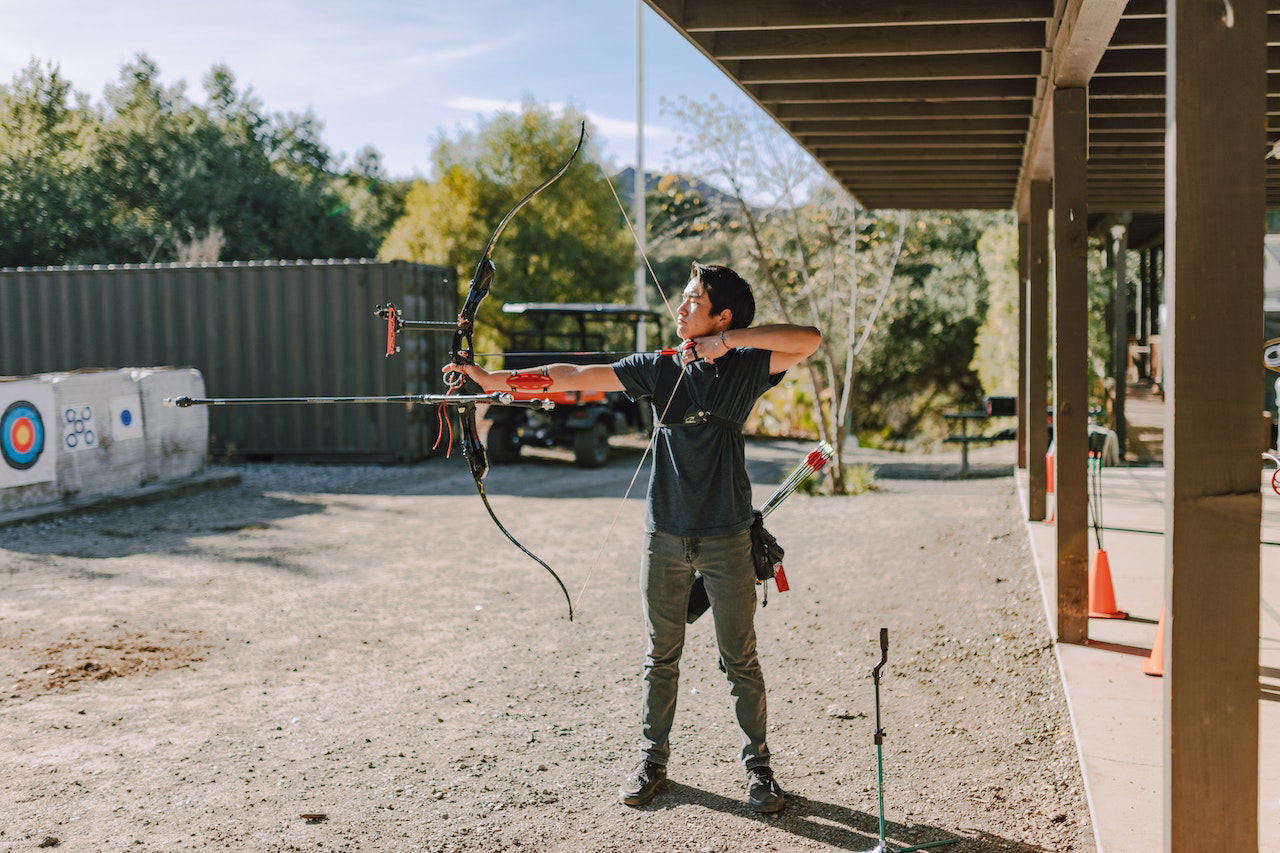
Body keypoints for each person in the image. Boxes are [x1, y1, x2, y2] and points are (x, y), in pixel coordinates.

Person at [445, 262, 821, 813]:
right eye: (683, 299)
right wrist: (492, 381)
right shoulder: (660, 367)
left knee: (740, 659)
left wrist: (724, 344)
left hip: (727, 536)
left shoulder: (748, 365)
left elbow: (808, 340)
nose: (680, 308)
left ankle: (759, 771)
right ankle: (652, 760)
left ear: (723, 316)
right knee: (659, 656)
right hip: (664, 536)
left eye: (693, 301)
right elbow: (573, 375)